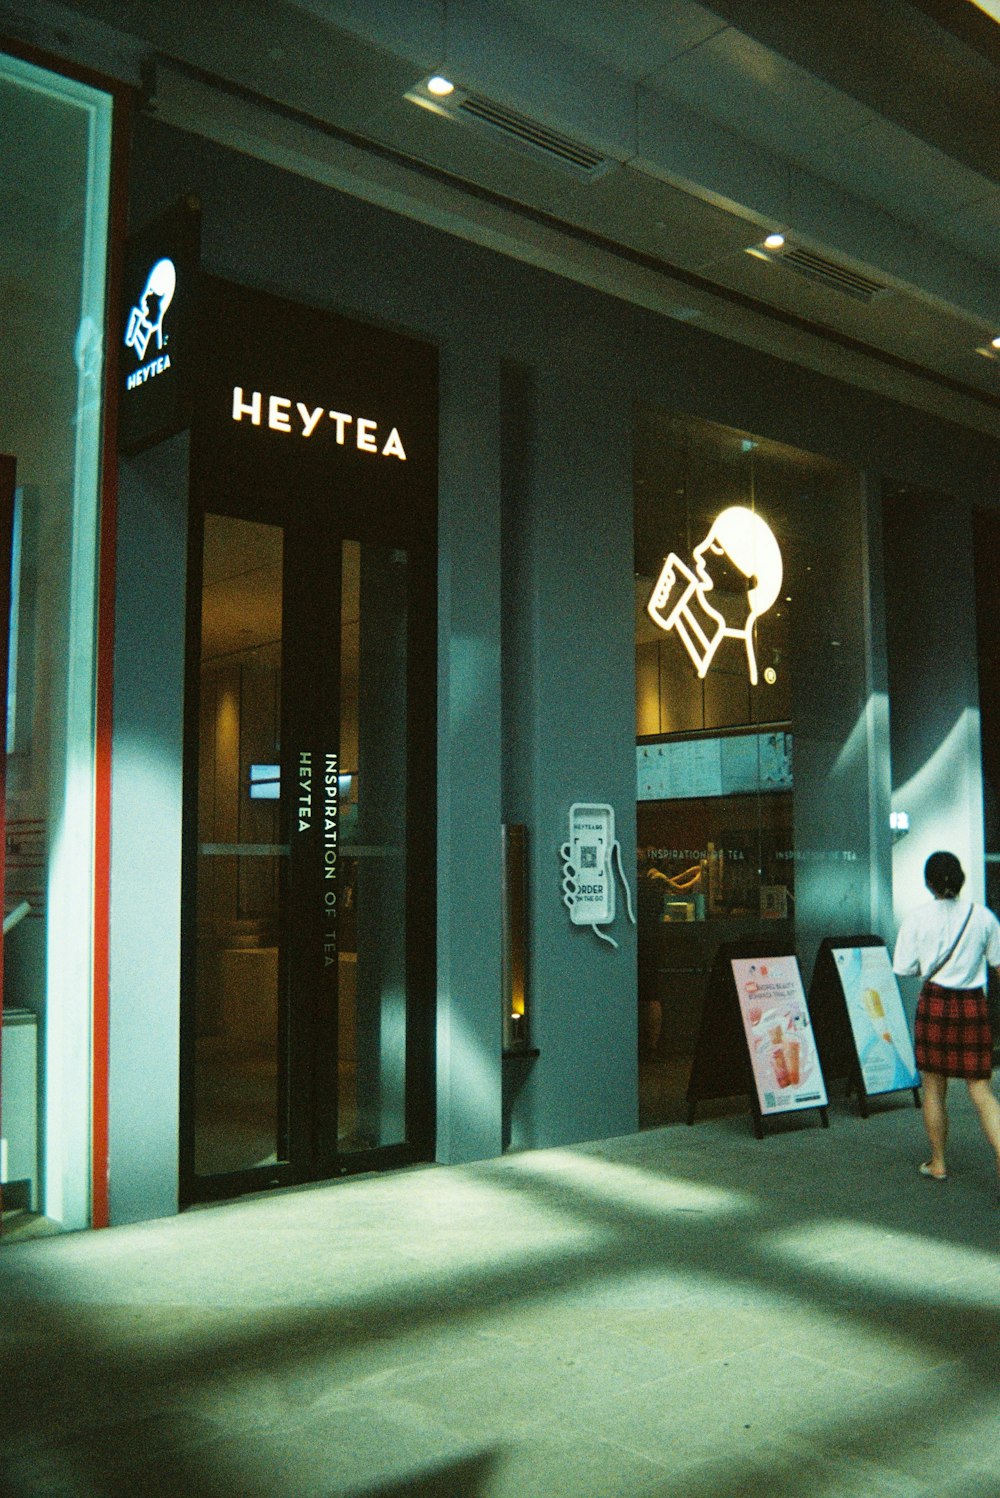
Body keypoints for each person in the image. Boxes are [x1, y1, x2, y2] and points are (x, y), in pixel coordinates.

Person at [893, 850, 1000, 1188]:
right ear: (961, 878)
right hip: (972, 1006)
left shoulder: (916, 919)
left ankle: (938, 1162)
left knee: (934, 1089)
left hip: (935, 1005)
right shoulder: (983, 917)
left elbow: (904, 968)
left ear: (928, 883)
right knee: (981, 1091)